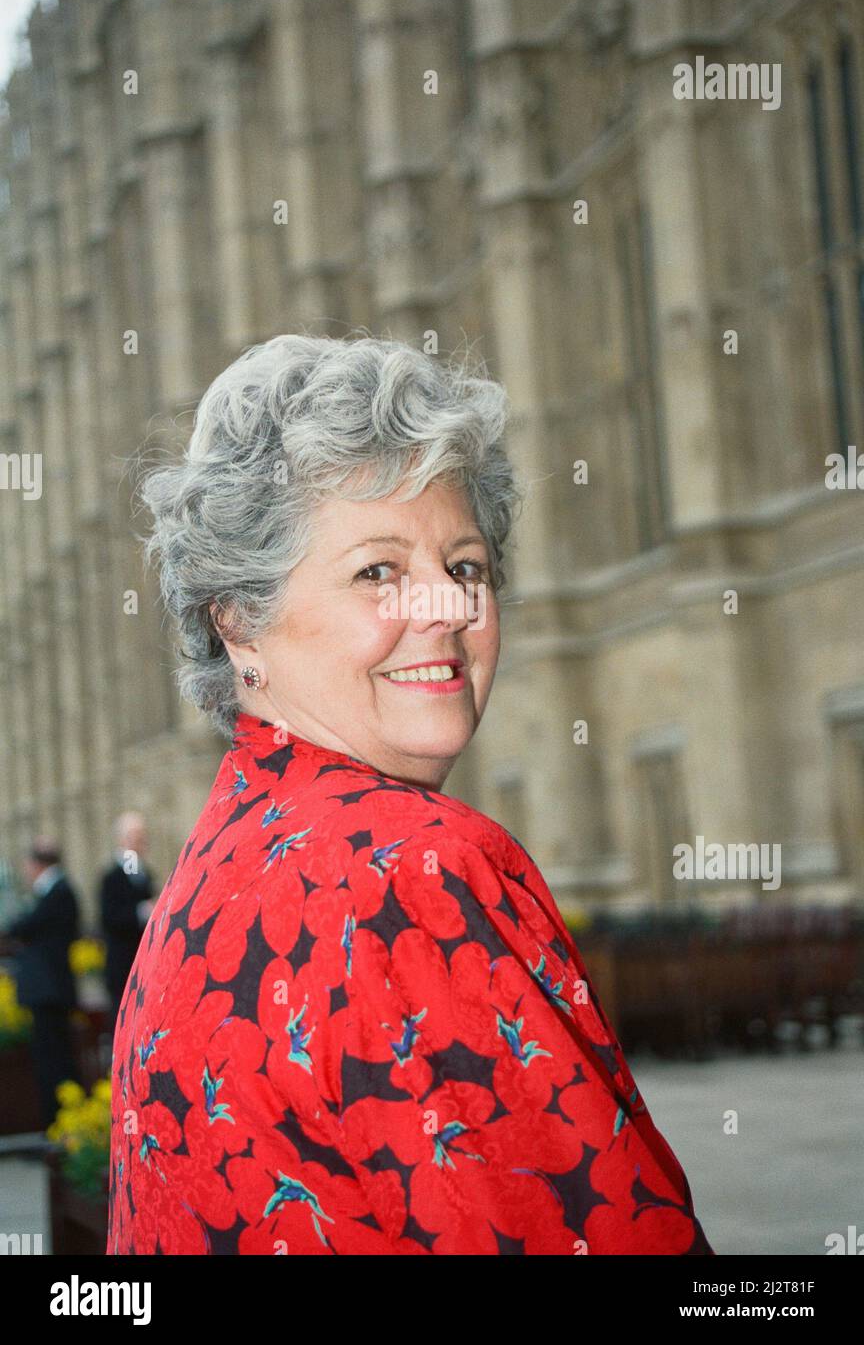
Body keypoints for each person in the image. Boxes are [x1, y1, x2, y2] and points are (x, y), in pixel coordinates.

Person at [106, 333, 714, 1255]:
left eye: (465, 565)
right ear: (240, 624)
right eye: (378, 572)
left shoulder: (219, 865)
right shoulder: (409, 869)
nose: (448, 608)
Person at [1, 839, 80, 1127]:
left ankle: (59, 1128)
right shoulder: (50, 892)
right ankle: (56, 1125)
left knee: (55, 1061)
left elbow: (23, 926)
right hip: (46, 991)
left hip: (50, 990)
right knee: (49, 1059)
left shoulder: (58, 892)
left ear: (37, 864)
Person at [98, 811, 155, 1038]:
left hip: (142, 961)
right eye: (134, 837)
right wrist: (141, 911)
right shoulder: (113, 876)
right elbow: (110, 917)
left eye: (142, 837)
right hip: (122, 963)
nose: (140, 842)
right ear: (122, 839)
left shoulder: (141, 871)